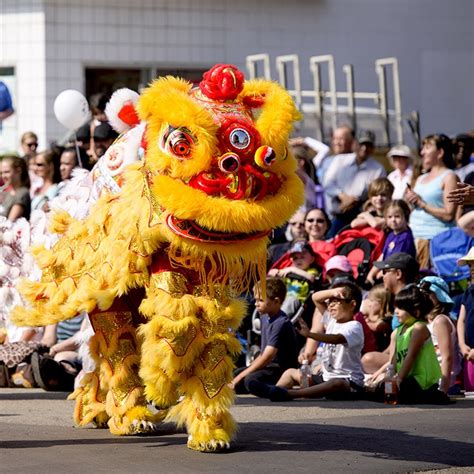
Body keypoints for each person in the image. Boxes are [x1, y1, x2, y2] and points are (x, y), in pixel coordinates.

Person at [248, 281, 365, 401]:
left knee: (336, 383)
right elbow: (315, 298)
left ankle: (290, 394)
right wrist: (332, 292)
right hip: (325, 378)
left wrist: (310, 334)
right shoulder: (331, 320)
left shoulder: (354, 326)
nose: (330, 305)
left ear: (352, 304)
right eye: (329, 301)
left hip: (349, 383)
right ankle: (275, 391)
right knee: (290, 373)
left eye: (336, 302)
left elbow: (336, 339)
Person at [367, 284, 448, 404]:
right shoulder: (396, 333)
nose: (396, 312)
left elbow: (411, 356)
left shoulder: (419, 328)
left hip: (422, 381)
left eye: (401, 308)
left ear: (415, 311)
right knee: (382, 388)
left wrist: (399, 379)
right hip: (406, 377)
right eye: (395, 307)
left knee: (401, 389)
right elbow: (393, 360)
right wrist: (388, 377)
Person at [230, 277, 298, 393]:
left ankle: (279, 389)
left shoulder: (281, 322)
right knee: (234, 374)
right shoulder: (264, 316)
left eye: (260, 300)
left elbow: (267, 357)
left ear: (276, 301)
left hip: (279, 369)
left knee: (249, 380)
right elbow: (262, 353)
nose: (256, 304)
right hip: (268, 366)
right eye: (255, 300)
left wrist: (239, 378)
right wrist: (243, 373)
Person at [406, 133, 458, 269]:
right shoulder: (420, 178)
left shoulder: (449, 177)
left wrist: (422, 203)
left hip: (432, 240)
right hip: (411, 237)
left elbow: (448, 214)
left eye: (427, 148)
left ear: (440, 152)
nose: (422, 152)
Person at [362, 252, 419, 374]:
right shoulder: (403, 297)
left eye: (385, 271)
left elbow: (409, 343)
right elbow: (397, 341)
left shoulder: (410, 299)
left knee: (368, 360)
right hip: (401, 356)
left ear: (398, 274)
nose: (381, 276)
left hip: (414, 360)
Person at [323, 130, 386, 235]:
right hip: (338, 212)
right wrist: (343, 196)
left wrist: (354, 201)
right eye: (362, 144)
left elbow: (378, 192)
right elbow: (327, 183)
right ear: (355, 144)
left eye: (368, 145)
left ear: (373, 148)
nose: (364, 148)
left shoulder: (378, 169)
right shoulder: (340, 160)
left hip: (361, 214)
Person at [419, 276, 461, 394]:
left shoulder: (440, 321)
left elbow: (446, 357)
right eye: (421, 293)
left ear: (439, 297)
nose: (424, 297)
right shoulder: (425, 321)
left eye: (428, 293)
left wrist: (443, 390)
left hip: (440, 382)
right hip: (428, 375)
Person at [366, 200, 416, 284]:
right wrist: (371, 274)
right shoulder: (391, 235)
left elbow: (396, 264)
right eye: (389, 217)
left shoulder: (405, 238)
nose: (393, 220)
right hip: (387, 273)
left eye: (397, 216)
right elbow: (382, 256)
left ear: (406, 216)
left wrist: (383, 273)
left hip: (399, 279)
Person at [268, 239, 319, 303]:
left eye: (302, 257)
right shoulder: (287, 271)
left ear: (312, 259)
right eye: (295, 258)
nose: (298, 260)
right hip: (283, 300)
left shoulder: (311, 271)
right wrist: (275, 272)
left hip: (298, 300)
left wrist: (291, 269)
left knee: (291, 300)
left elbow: (311, 277)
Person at [456, 247, 474, 393]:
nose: (472, 268)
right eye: (470, 265)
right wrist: (462, 344)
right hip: (469, 353)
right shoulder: (469, 291)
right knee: (470, 393)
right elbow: (461, 320)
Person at [360, 285, 392, 352]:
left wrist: (367, 318)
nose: (369, 304)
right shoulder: (369, 318)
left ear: (381, 303)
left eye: (371, 300)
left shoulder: (388, 318)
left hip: (382, 351)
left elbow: (376, 327)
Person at [0, 155, 31, 221]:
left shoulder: (22, 193)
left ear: (18, 171)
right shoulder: (8, 192)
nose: (3, 176)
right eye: (1, 173)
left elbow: (11, 221)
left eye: (6, 172)